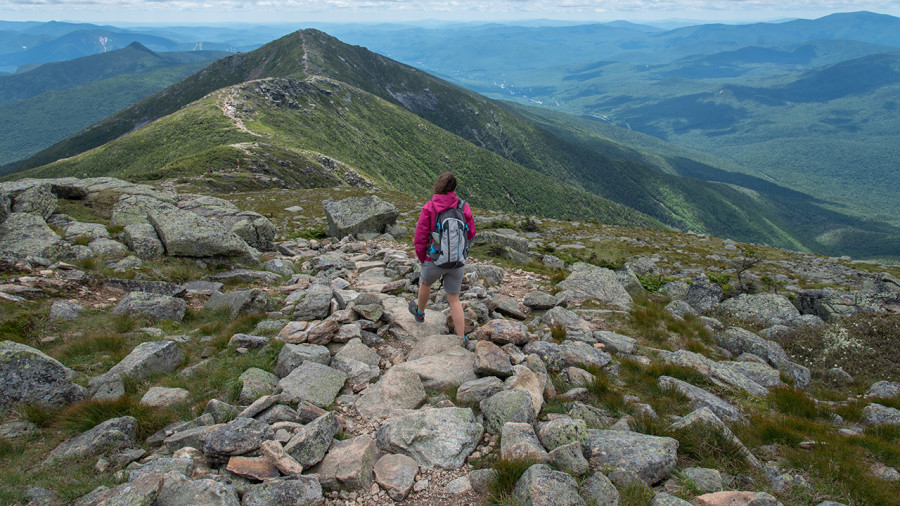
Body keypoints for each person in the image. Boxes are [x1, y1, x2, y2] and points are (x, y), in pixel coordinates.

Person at [409, 172, 477, 343]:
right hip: (457, 262)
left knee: (426, 283)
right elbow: (471, 233)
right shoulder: (463, 207)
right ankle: (462, 339)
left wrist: (423, 258)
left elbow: (420, 237)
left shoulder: (430, 207)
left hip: (434, 260)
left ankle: (420, 313)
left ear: (438, 187)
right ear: (454, 188)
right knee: (454, 299)